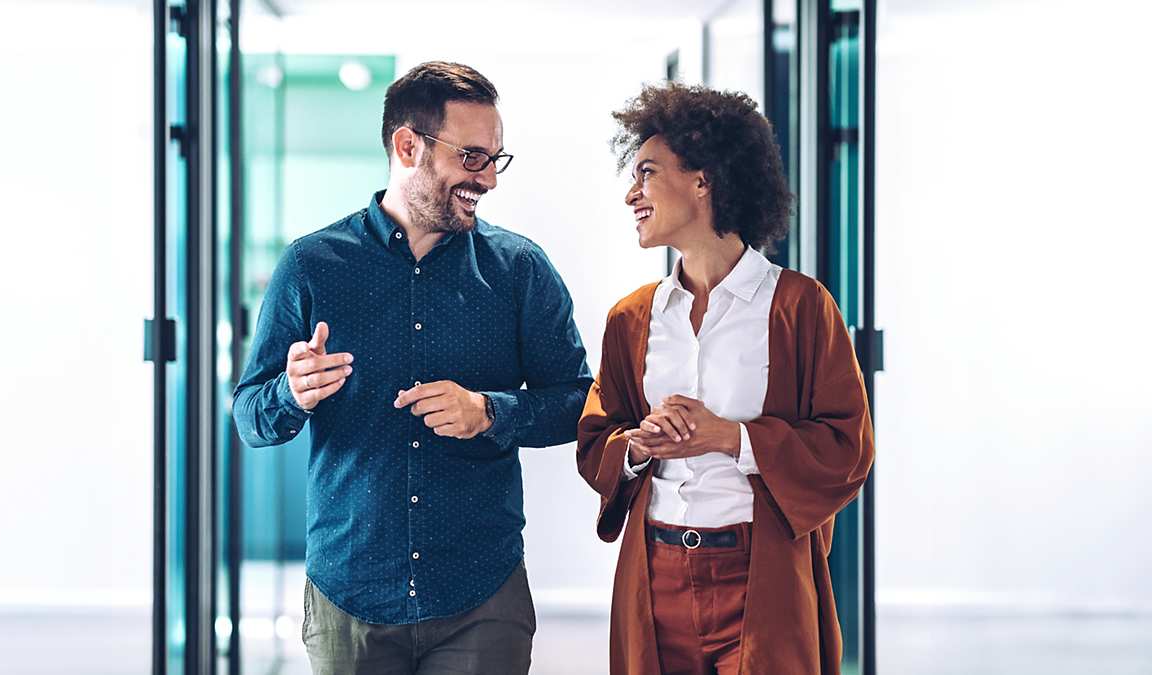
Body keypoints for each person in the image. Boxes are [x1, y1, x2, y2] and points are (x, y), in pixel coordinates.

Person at [233, 61, 592, 675]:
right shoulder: (311, 265)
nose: (488, 180)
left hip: (481, 593)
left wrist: (489, 412)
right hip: (351, 596)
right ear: (408, 146)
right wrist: (290, 394)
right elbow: (249, 415)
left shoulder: (520, 270)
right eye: (473, 158)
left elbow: (581, 402)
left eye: (496, 160)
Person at [577, 83, 875, 675]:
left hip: (758, 580)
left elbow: (849, 448)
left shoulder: (800, 307)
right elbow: (596, 438)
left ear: (703, 180)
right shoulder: (631, 319)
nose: (632, 194)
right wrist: (636, 448)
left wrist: (728, 437)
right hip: (655, 577)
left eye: (647, 173)